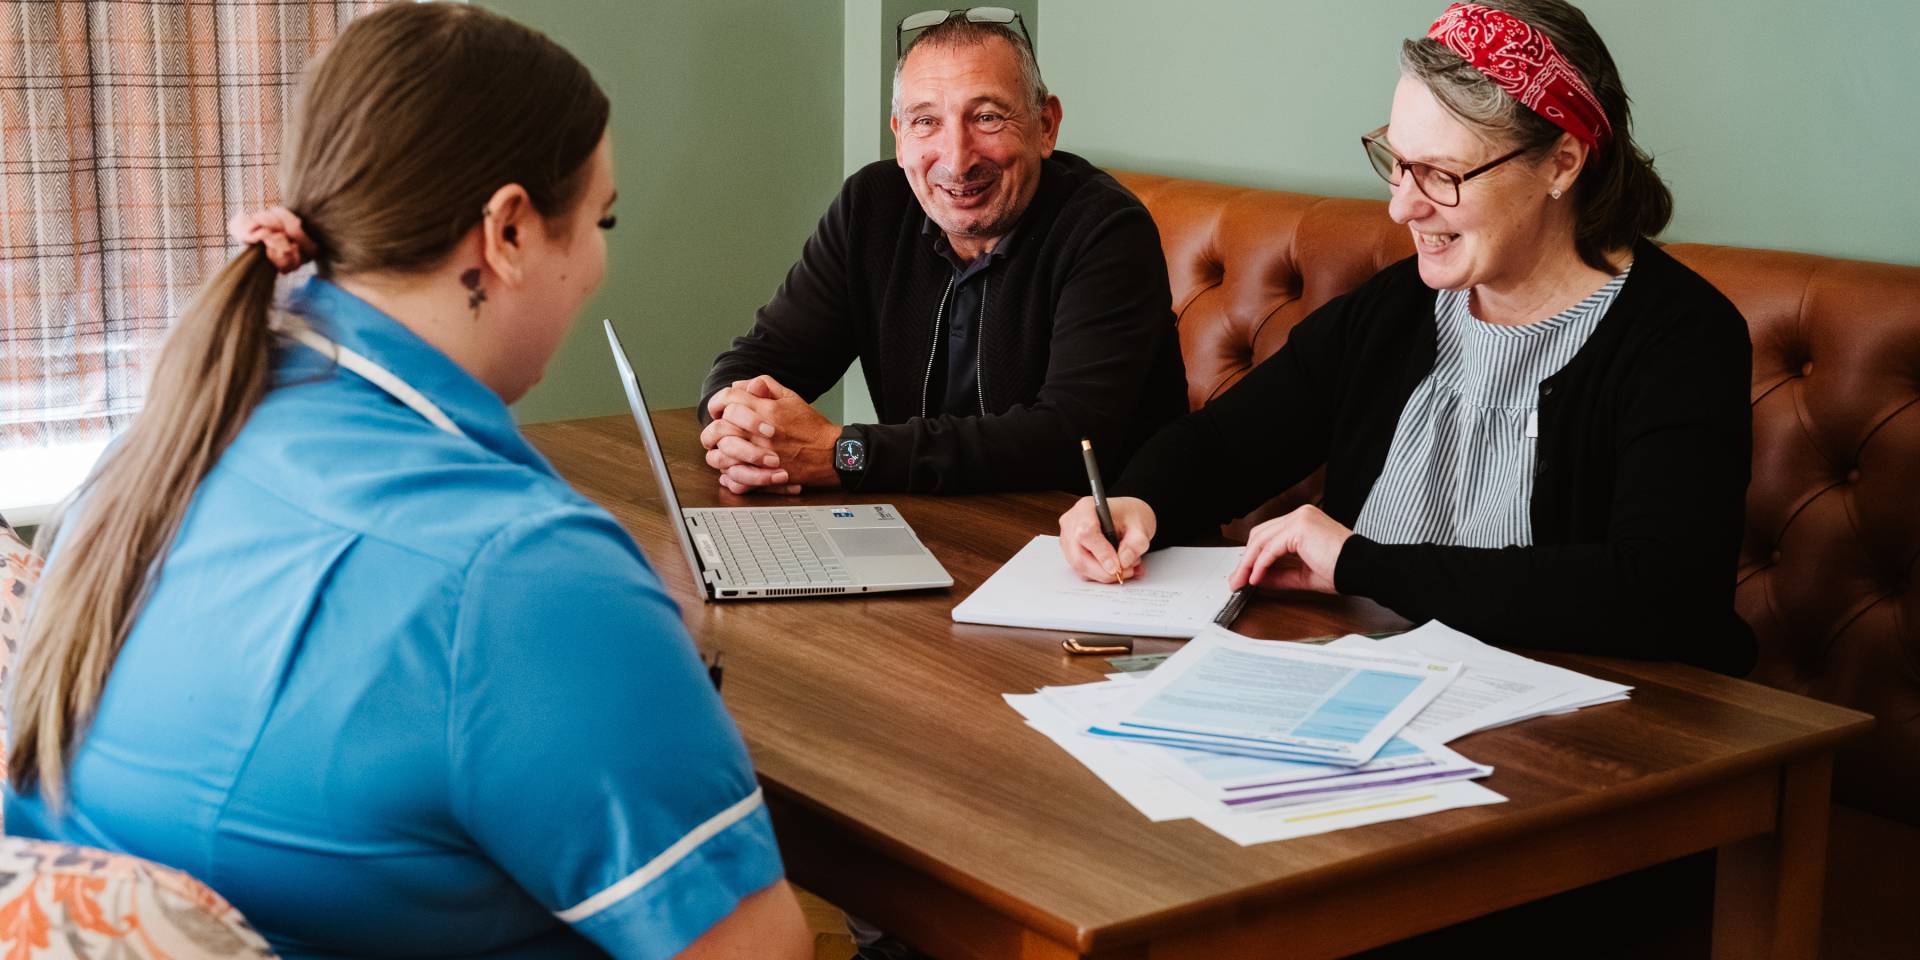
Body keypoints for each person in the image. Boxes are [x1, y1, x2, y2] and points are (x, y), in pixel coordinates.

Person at [3, 5, 809, 958]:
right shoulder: (518, 573)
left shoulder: (159, 445)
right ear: (507, 231)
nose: (599, 262)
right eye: (600, 220)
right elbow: (755, 949)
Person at [1057, 0, 1757, 675]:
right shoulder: (1400, 309)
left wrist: (1361, 563)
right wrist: (1136, 502)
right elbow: (1223, 444)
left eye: (1442, 175)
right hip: (1376, 692)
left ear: (1563, 163)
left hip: (1586, 736)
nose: (1401, 205)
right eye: (1397, 160)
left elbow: (1658, 592)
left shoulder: (1682, 338)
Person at [698, 11, 1187, 496]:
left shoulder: (1107, 230)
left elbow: (1070, 441)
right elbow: (763, 358)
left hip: (1100, 548)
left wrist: (842, 454)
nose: (956, 159)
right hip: (930, 524)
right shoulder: (872, 205)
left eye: (987, 117)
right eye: (926, 121)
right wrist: (737, 423)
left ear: (1045, 125)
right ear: (900, 134)